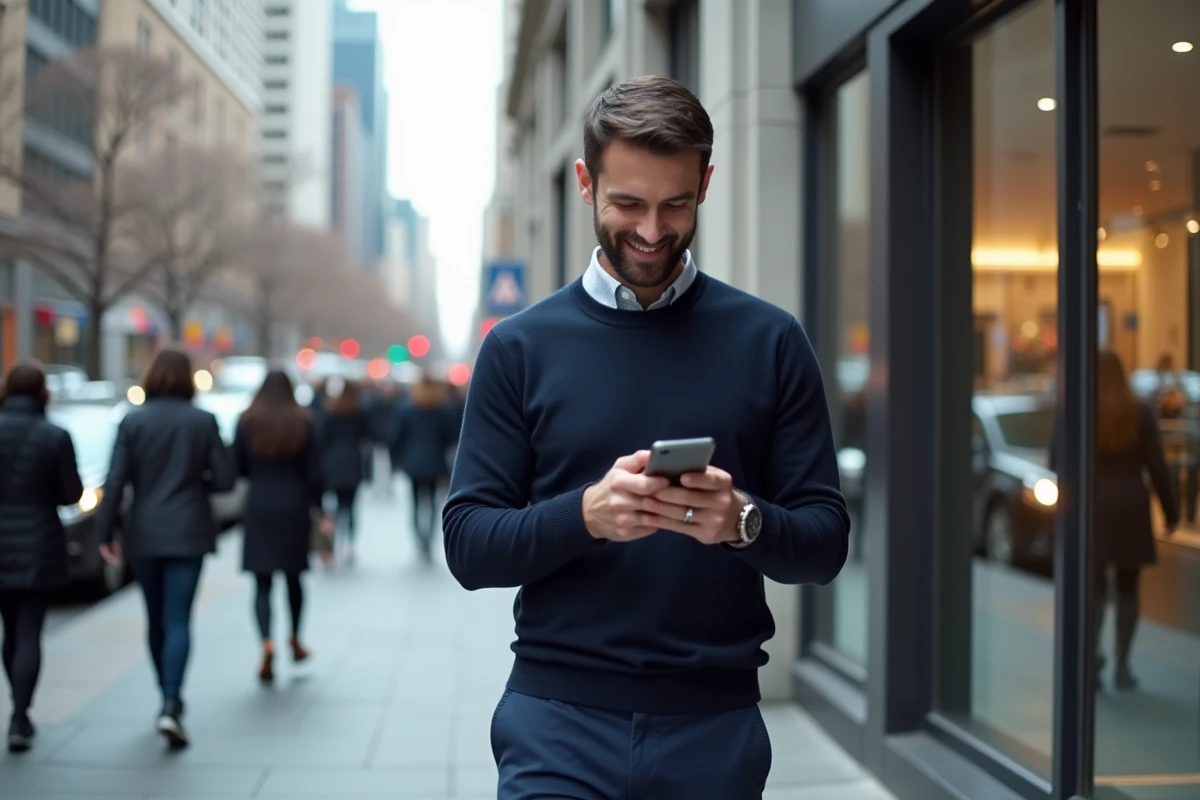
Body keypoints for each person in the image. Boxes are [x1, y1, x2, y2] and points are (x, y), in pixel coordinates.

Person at [442, 75, 850, 799]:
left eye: (676, 205)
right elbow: (470, 546)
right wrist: (587, 515)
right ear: (584, 182)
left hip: (713, 728)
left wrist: (741, 521)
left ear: (707, 183)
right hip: (555, 723)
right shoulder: (518, 347)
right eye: (628, 203)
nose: (653, 231)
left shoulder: (771, 341)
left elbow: (825, 543)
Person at [93, 346, 235, 749]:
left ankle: (166, 695)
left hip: (145, 532)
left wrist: (105, 534)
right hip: (189, 529)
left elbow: (115, 481)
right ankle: (171, 701)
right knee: (179, 620)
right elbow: (225, 480)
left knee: (155, 619)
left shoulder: (132, 422)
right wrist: (194, 485)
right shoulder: (203, 421)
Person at [0, 361, 83, 753]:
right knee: (29, 630)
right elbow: (71, 494)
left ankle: (18, 711)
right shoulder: (55, 435)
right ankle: (20, 715)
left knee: (9, 630)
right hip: (37, 544)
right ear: (42, 393)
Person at [233, 369, 328, 682]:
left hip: (259, 505)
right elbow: (314, 473)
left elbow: (238, 468)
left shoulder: (247, 421)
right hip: (294, 506)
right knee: (294, 578)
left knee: (261, 584)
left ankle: (266, 643)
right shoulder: (304, 421)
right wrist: (320, 507)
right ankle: (295, 638)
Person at [1091, 349, 1178, 690]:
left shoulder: (1080, 410)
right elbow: (1157, 466)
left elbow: (1057, 459)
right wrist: (1171, 512)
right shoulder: (1138, 412)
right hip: (1131, 508)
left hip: (1093, 509)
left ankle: (1090, 658)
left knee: (1093, 589)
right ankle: (1123, 665)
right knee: (1128, 589)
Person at [388, 373, 458, 563]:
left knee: (416, 502)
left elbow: (398, 436)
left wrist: (397, 458)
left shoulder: (408, 409)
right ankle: (429, 539)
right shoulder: (442, 410)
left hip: (413, 460)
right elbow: (450, 436)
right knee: (434, 502)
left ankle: (419, 537)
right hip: (435, 460)